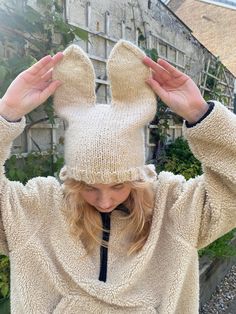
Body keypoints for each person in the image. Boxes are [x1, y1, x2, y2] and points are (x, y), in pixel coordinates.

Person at [0, 40, 235, 314]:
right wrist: (6, 113)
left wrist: (201, 115)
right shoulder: (36, 210)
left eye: (118, 185)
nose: (104, 201)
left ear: (136, 178)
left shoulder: (175, 209)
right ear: (73, 180)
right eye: (88, 186)